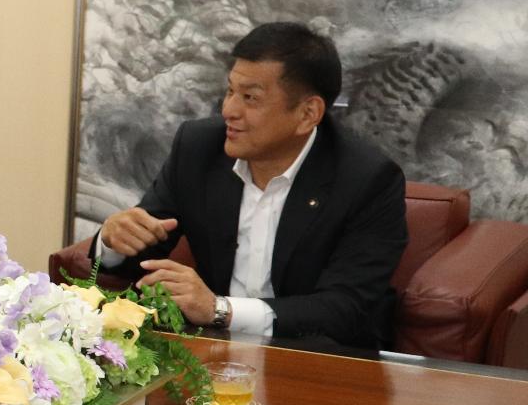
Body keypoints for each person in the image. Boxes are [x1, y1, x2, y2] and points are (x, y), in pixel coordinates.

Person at [95, 21, 408, 352]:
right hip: (211, 357)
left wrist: (219, 310)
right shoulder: (199, 148)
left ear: (307, 114)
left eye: (250, 98)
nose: (229, 110)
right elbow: (142, 253)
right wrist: (113, 241)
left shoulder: (367, 179)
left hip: (317, 359)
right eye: (231, 91)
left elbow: (344, 309)